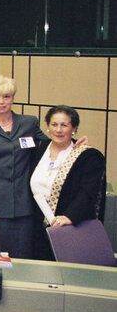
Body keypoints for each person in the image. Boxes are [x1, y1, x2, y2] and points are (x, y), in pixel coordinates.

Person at [0, 76, 52, 259]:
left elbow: (52, 144)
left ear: (13, 98)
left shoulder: (29, 123)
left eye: (6, 96)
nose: (1, 102)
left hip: (24, 204)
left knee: (23, 257)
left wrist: (75, 143)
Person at [29, 106, 106, 261]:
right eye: (54, 124)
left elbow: (88, 192)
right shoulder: (38, 148)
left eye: (64, 125)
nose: (58, 130)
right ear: (47, 127)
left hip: (69, 229)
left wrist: (69, 217)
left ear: (74, 128)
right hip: (36, 231)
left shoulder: (89, 156)